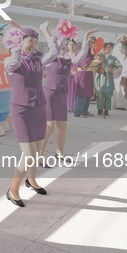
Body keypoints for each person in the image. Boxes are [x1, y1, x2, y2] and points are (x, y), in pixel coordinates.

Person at [4, 21, 59, 207]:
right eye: (30, 40)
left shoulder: (38, 60)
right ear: (21, 40)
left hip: (39, 108)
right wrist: (18, 41)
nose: (33, 44)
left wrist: (46, 31)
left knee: (37, 151)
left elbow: (55, 52)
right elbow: (16, 59)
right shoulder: (11, 61)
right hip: (21, 110)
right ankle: (13, 190)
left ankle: (32, 180)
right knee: (29, 154)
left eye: (36, 41)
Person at [39, 25, 99, 164]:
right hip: (49, 93)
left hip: (61, 94)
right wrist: (47, 31)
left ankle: (60, 152)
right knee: (49, 126)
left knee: (62, 125)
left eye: (66, 43)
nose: (64, 45)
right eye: (62, 43)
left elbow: (83, 52)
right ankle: (39, 154)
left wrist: (85, 37)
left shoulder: (70, 60)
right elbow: (54, 46)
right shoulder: (49, 58)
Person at [73, 35, 98, 118]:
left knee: (88, 93)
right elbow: (84, 63)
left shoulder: (90, 52)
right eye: (91, 42)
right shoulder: (80, 52)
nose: (92, 44)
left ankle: (84, 111)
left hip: (89, 74)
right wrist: (93, 61)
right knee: (81, 94)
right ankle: (78, 112)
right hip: (82, 74)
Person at [95, 42, 122, 116]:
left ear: (112, 49)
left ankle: (106, 109)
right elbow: (94, 64)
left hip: (108, 77)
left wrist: (113, 69)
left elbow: (119, 66)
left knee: (107, 94)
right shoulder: (100, 56)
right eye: (107, 47)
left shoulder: (113, 58)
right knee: (100, 94)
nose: (108, 49)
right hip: (100, 77)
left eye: (110, 47)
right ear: (104, 48)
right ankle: (100, 109)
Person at [113, 33, 127, 109]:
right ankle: (118, 105)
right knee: (119, 87)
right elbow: (121, 59)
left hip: (123, 69)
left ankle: (121, 104)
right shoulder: (117, 48)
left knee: (122, 87)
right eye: (124, 38)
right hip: (118, 70)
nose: (125, 40)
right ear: (120, 39)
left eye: (125, 38)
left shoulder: (125, 47)